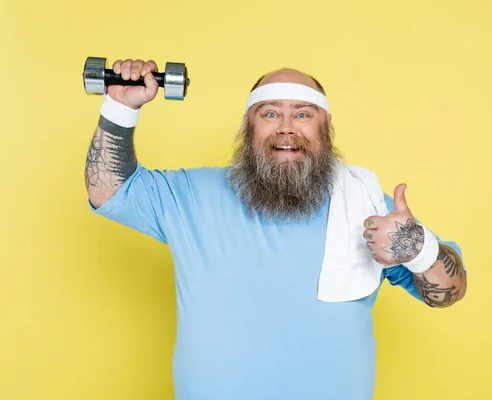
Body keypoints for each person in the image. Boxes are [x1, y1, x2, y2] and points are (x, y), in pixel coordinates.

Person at [85, 58, 467, 400]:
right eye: (269, 114)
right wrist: (119, 107)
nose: (286, 128)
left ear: (326, 127)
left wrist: (419, 250)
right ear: (248, 128)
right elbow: (108, 189)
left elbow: (449, 292)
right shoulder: (191, 194)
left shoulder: (366, 205)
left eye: (303, 114)